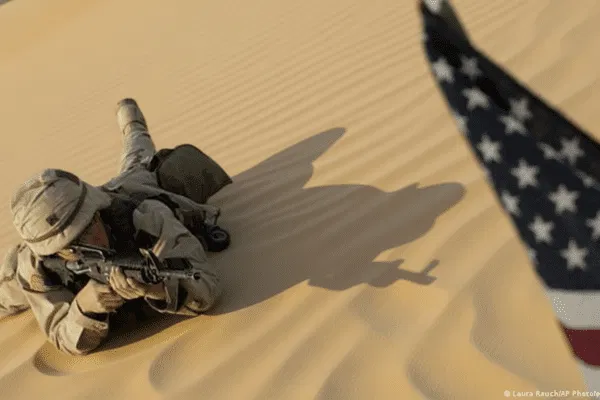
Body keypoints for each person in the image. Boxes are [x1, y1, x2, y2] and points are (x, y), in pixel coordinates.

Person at [7, 98, 223, 356]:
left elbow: (207, 288)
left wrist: (154, 288)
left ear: (97, 210)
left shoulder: (146, 217)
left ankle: (132, 125)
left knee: (138, 159)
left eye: (89, 226)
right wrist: (85, 308)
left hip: (129, 189)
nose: (91, 243)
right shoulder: (35, 264)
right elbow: (62, 336)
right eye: (70, 247)